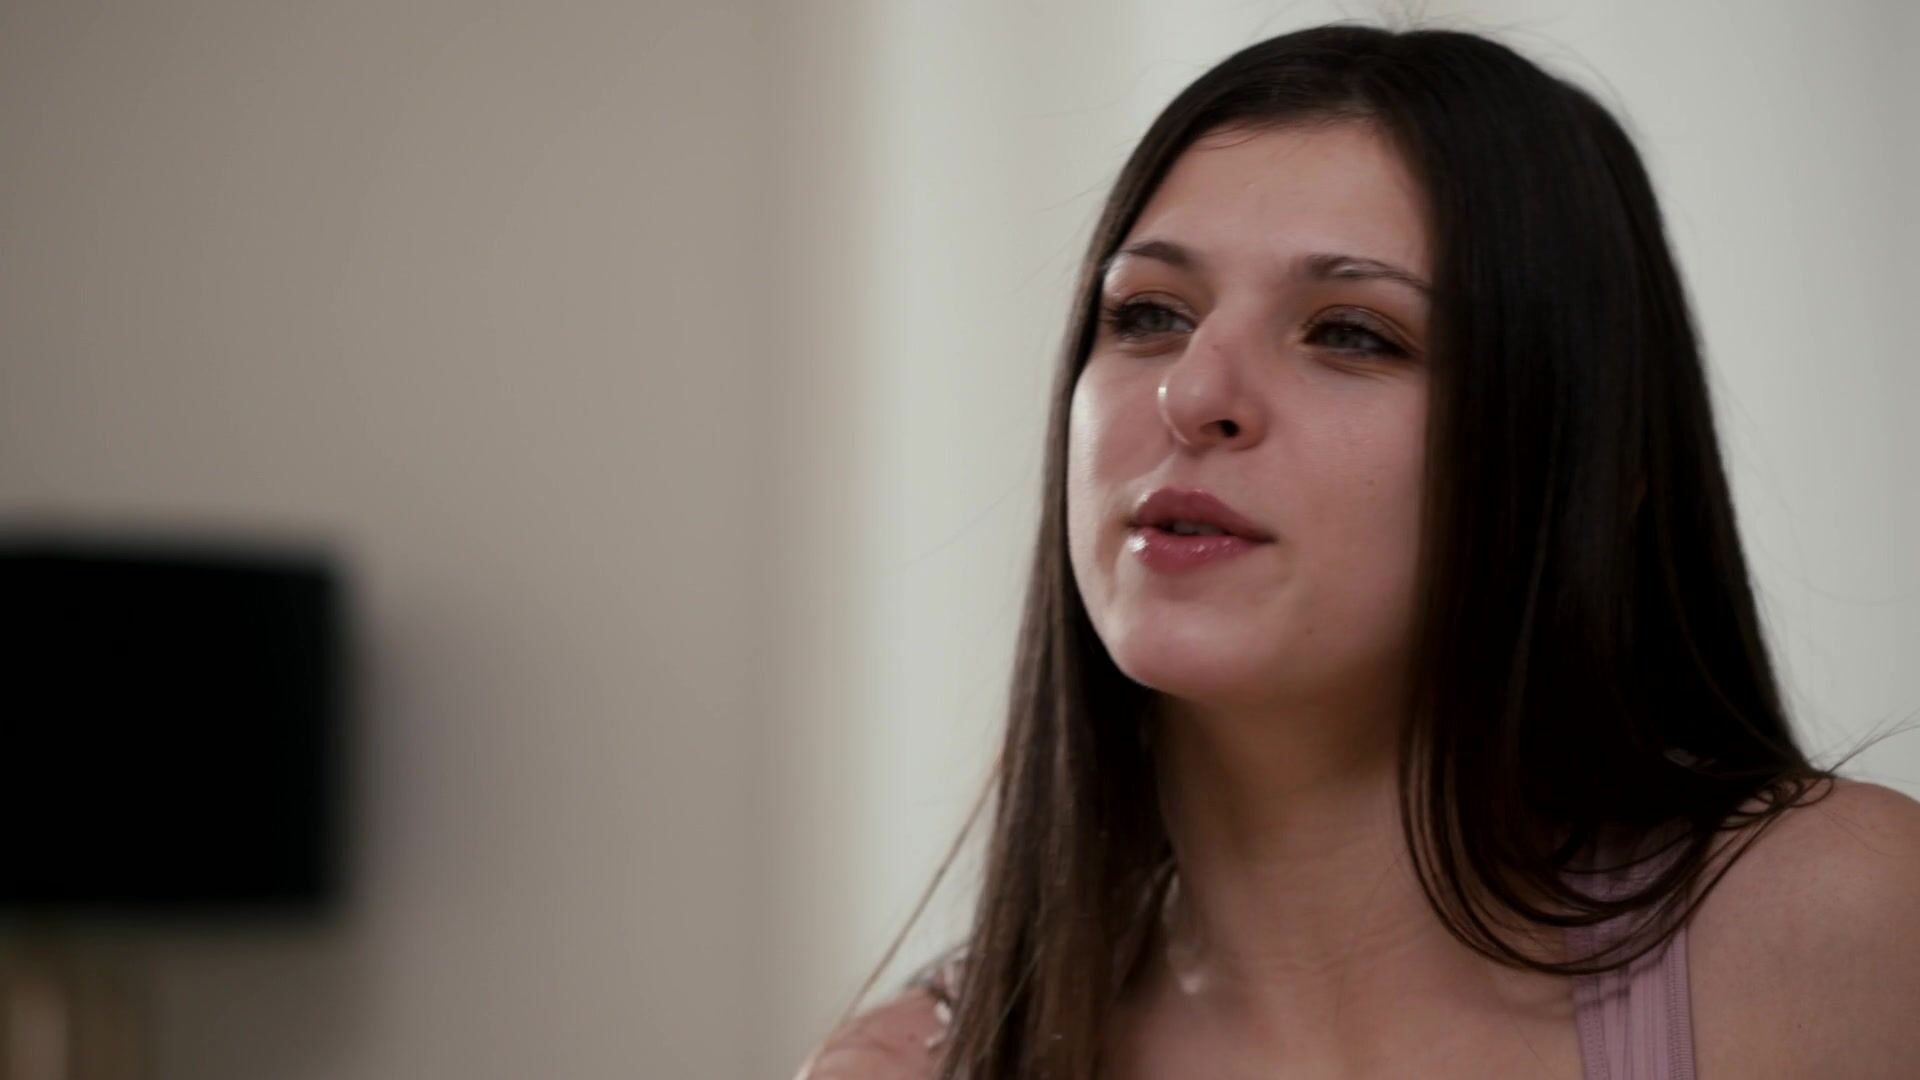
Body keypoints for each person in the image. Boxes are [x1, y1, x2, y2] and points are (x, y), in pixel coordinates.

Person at [799, 23, 1920, 1080]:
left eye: (1350, 332)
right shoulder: (912, 1068)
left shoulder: (1835, 928)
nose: (1192, 392)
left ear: (1589, 463)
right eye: (1148, 314)